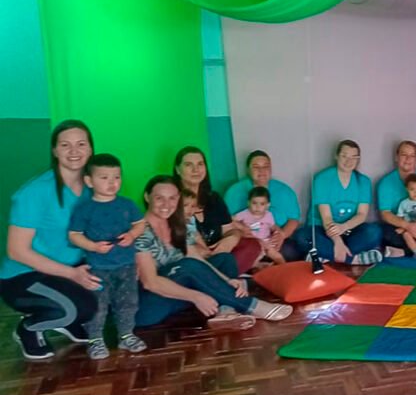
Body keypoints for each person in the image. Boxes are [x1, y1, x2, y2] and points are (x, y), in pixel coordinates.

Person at [0, 120, 101, 360]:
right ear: (55, 150)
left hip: (68, 269)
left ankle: (67, 320)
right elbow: (16, 251)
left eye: (81, 144)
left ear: (90, 149)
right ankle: (28, 328)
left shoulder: (92, 187)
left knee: (111, 292)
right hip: (23, 277)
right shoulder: (34, 192)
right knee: (83, 307)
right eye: (65, 145)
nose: (74, 151)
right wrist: (72, 274)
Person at [134, 176, 292, 329]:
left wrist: (227, 280)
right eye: (159, 198)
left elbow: (196, 257)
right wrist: (196, 297)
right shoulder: (140, 233)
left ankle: (226, 310)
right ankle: (251, 306)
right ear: (147, 197)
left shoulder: (177, 225)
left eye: (172, 198)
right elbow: (150, 283)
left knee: (224, 259)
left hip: (177, 295)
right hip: (149, 306)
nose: (166, 204)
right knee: (187, 266)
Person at [67, 154, 147, 359]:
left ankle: (126, 335)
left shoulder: (127, 204)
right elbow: (74, 235)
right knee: (98, 305)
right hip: (98, 267)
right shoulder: (85, 209)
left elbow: (140, 224)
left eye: (116, 177)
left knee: (128, 302)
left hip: (126, 265)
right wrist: (93, 246)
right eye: (104, 178)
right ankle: (95, 340)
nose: (112, 183)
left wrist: (132, 235)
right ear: (89, 181)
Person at [174, 147, 260, 275]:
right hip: (193, 256)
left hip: (219, 255)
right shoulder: (172, 200)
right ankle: (220, 277)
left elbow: (229, 229)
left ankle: (218, 277)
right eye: (188, 165)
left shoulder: (213, 198)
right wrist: (197, 250)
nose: (195, 170)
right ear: (177, 169)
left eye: (200, 164)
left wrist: (232, 238)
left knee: (252, 245)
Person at [296, 140, 382, 265]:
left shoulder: (363, 181)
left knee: (374, 232)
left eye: (354, 157)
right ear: (336, 156)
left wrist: (344, 227)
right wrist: (338, 241)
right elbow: (326, 218)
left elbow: (362, 215)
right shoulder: (322, 179)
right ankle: (354, 259)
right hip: (324, 228)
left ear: (358, 159)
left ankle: (326, 256)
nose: (349, 161)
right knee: (302, 236)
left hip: (350, 228)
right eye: (344, 156)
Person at [224, 150, 303, 262]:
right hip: (247, 239)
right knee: (238, 257)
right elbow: (226, 221)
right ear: (248, 170)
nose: (261, 171)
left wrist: (281, 235)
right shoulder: (234, 191)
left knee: (291, 253)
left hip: (274, 240)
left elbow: (293, 219)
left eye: (266, 166)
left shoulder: (284, 191)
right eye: (256, 167)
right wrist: (241, 231)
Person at [233, 186, 286, 266]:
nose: (258, 207)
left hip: (266, 240)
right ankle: (257, 267)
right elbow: (231, 220)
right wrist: (241, 226)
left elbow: (273, 227)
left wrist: (277, 233)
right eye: (254, 203)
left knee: (275, 254)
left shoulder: (268, 215)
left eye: (262, 204)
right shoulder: (244, 213)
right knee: (254, 257)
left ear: (268, 205)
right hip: (252, 241)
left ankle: (284, 267)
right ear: (248, 203)